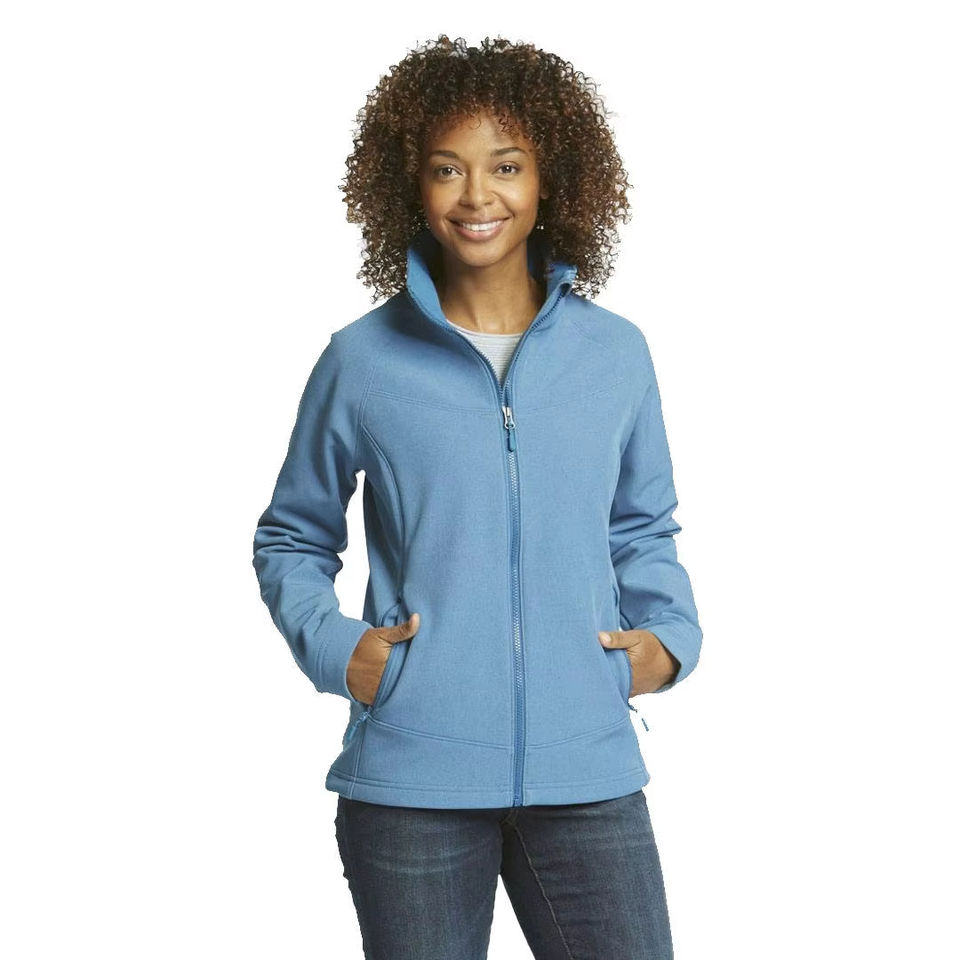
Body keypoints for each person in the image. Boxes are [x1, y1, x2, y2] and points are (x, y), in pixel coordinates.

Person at [252, 34, 702, 960]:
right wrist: (339, 650)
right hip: (412, 781)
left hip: (588, 770)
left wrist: (667, 638)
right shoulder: (362, 361)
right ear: (410, 186)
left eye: (505, 165)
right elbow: (292, 535)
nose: (476, 196)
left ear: (550, 179)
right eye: (446, 168)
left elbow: (641, 525)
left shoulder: (615, 354)